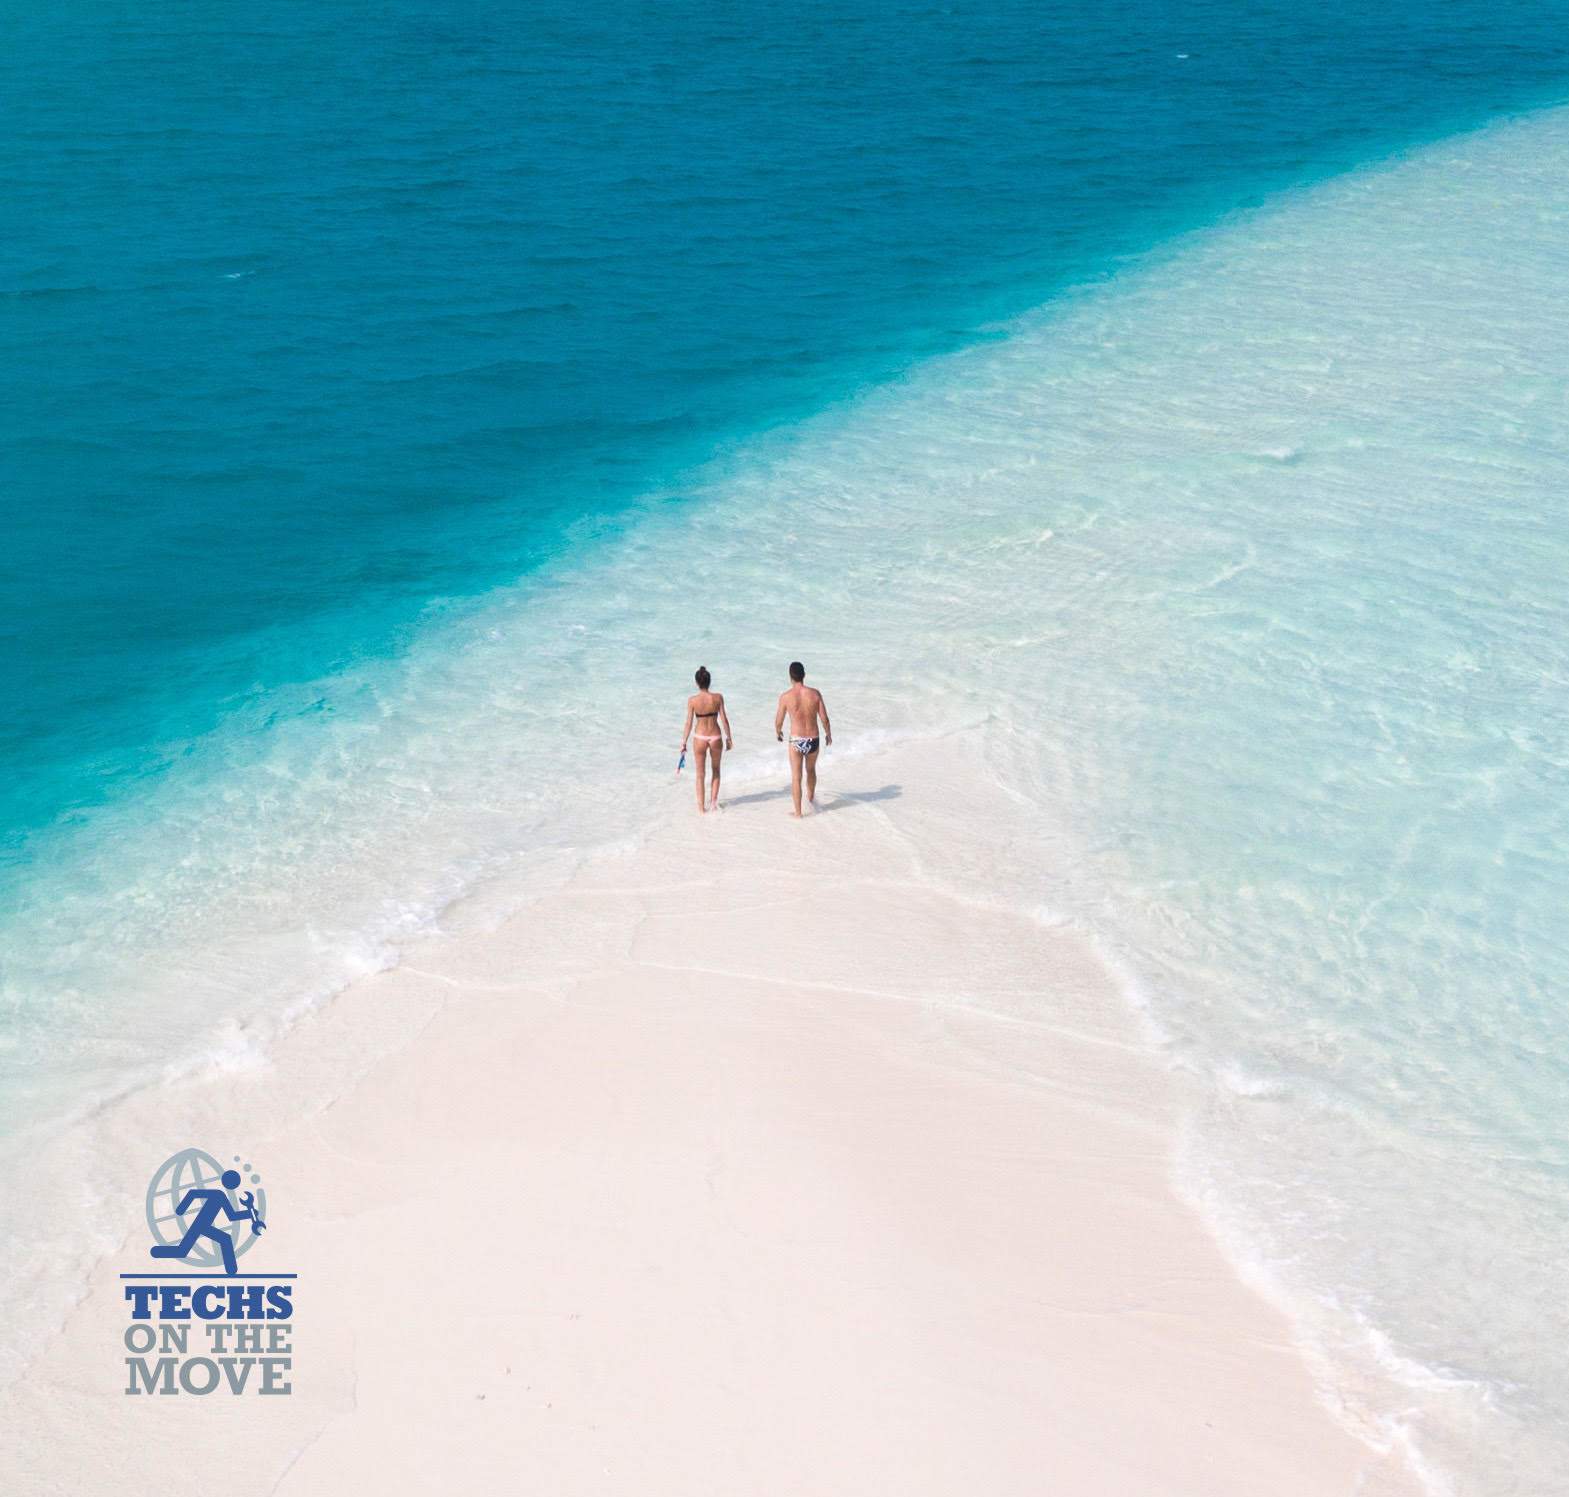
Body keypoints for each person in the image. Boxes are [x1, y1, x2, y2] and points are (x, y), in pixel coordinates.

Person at [149, 1168, 252, 1275]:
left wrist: (249, 1213)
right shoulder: (218, 1194)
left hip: (202, 1225)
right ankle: (231, 1270)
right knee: (224, 1239)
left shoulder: (221, 1195)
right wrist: (181, 1209)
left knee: (182, 1251)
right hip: (201, 1225)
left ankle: (157, 1251)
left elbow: (232, 1216)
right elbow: (192, 1193)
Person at [774, 661, 832, 817]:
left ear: (790, 677)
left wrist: (778, 731)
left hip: (796, 741)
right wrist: (828, 734)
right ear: (804, 675)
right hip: (813, 739)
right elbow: (824, 718)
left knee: (796, 776)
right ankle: (811, 800)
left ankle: (798, 813)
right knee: (811, 770)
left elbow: (779, 720)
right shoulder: (815, 694)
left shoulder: (786, 697)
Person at [680, 666, 732, 813]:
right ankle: (714, 804)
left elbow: (689, 723)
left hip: (700, 737)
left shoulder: (692, 701)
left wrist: (684, 742)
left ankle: (701, 809)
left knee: (700, 774)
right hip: (715, 735)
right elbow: (724, 719)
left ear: (697, 683)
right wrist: (729, 738)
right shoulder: (718, 698)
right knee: (716, 770)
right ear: (709, 682)